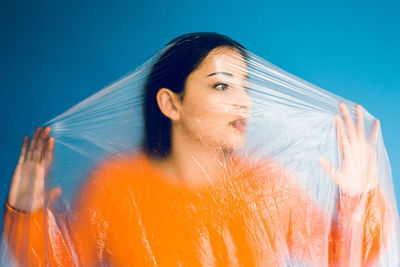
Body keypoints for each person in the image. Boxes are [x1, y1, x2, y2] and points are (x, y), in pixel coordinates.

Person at [2, 33, 389, 266]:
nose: (244, 103)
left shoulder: (268, 188)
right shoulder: (115, 189)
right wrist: (25, 216)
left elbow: (343, 258)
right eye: (222, 86)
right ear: (171, 104)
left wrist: (359, 199)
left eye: (245, 87)